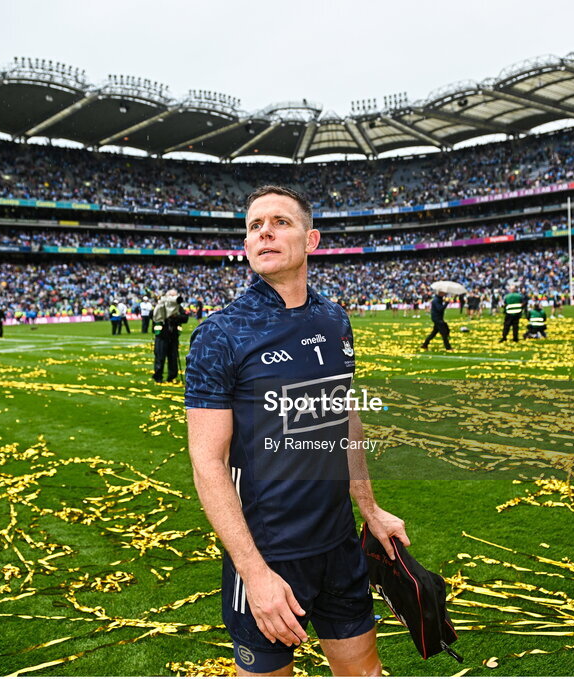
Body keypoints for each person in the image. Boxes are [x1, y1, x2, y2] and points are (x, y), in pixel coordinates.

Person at [185, 185, 407, 677]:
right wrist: (254, 573)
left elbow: (343, 417)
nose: (264, 231)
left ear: (312, 240)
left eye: (280, 222)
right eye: (254, 225)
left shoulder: (334, 319)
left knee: (365, 674)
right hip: (269, 557)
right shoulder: (220, 335)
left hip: (339, 546)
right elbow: (207, 462)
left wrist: (369, 509)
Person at [152, 289, 189, 383]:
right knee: (160, 356)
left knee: (173, 357)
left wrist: (175, 317)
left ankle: (171, 376)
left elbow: (185, 318)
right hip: (162, 335)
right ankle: (158, 376)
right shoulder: (161, 305)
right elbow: (153, 316)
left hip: (173, 336)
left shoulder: (178, 307)